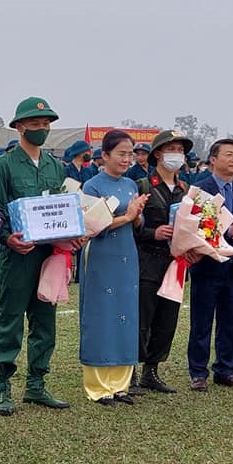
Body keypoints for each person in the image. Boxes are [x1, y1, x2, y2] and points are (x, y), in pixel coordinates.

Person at [0, 97, 79, 413]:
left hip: (50, 256)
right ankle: (4, 387)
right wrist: (6, 238)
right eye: (36, 123)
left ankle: (37, 385)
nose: (42, 128)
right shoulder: (3, 166)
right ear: (20, 126)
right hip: (18, 255)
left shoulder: (56, 167)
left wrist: (73, 235)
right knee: (10, 320)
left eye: (46, 123)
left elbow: (65, 208)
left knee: (45, 321)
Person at [78, 131, 149, 404]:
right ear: (104, 155)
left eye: (130, 154)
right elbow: (92, 225)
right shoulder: (92, 186)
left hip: (126, 254)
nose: (126, 159)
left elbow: (135, 223)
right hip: (101, 255)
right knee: (100, 315)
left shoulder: (132, 184)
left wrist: (137, 216)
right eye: (121, 153)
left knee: (125, 314)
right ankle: (98, 386)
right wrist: (128, 215)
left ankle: (120, 384)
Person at [187, 139, 233, 390]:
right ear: (213, 160)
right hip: (207, 265)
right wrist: (228, 231)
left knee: (231, 320)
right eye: (229, 155)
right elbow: (193, 225)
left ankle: (225, 369)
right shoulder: (200, 189)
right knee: (201, 321)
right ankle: (198, 372)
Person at [133, 130, 191, 394]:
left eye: (180, 150)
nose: (177, 155)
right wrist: (151, 233)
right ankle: (131, 370)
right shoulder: (142, 186)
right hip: (148, 260)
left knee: (167, 319)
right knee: (142, 317)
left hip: (176, 264)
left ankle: (151, 370)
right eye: (172, 149)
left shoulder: (187, 190)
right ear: (158, 153)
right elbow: (130, 228)